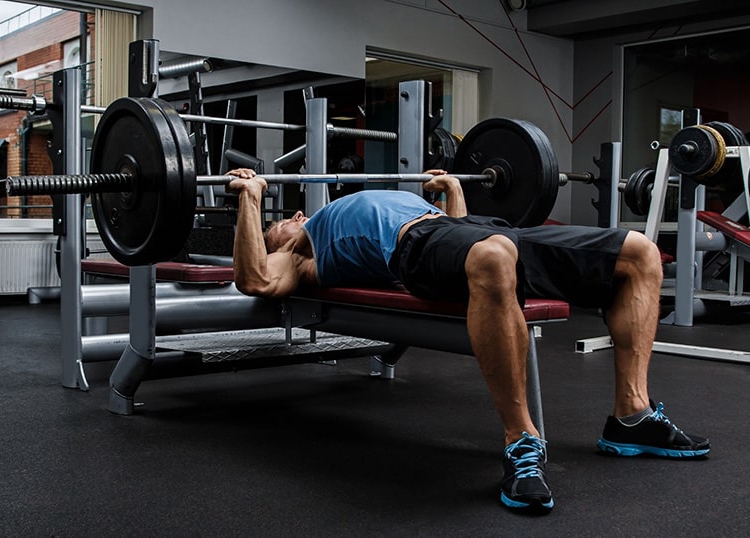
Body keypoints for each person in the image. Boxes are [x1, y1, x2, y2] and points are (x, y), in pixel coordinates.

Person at [226, 167, 710, 515]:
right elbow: (255, 280)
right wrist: (250, 198)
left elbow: (457, 241)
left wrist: (453, 191)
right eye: (271, 230)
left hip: (469, 230)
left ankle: (632, 415)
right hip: (412, 248)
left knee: (639, 253)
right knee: (494, 258)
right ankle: (522, 441)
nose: (280, 226)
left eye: (278, 221)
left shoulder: (319, 215)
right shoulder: (299, 254)